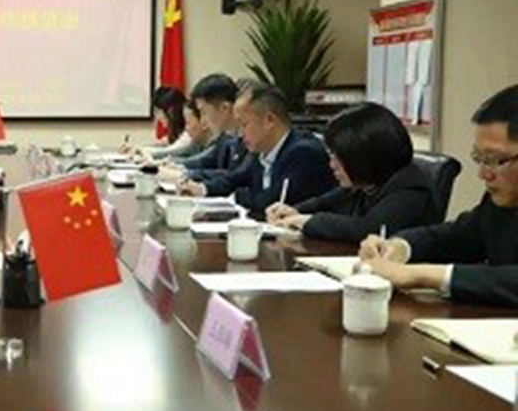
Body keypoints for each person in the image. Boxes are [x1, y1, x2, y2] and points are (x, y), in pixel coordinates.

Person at [360, 84, 518, 306]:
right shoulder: (498, 204)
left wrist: (425, 276)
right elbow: (454, 237)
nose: (484, 174)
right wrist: (400, 247)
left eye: (496, 160)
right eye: (480, 158)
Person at [266, 103, 440, 242]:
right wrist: (294, 211)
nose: (332, 165)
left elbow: (366, 229)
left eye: (338, 157)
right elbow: (323, 203)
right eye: (331, 155)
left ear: (363, 157)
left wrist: (306, 221)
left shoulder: (410, 189)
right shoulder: (366, 182)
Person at [179, 82, 336, 218]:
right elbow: (234, 178)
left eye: (244, 125)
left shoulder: (304, 153)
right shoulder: (261, 151)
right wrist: (202, 189)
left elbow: (270, 200)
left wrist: (234, 197)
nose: (240, 134)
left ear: (269, 120)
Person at [180, 73, 248, 177]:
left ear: (224, 108)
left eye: (204, 112)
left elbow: (235, 176)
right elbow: (204, 162)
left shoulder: (249, 138)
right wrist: (175, 166)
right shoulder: (224, 138)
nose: (203, 121)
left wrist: (186, 174)